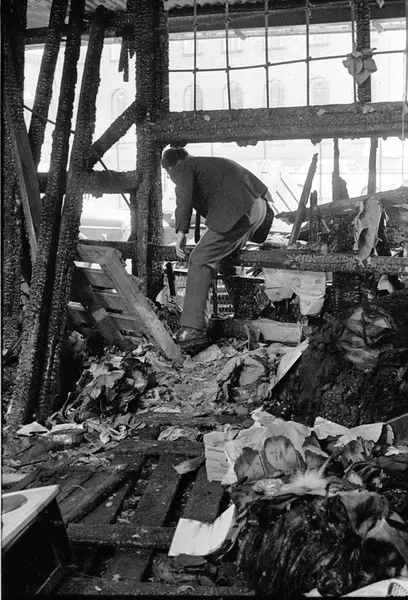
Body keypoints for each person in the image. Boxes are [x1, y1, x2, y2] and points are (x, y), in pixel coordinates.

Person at [161, 147, 274, 353]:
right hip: (258, 207)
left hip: (238, 210)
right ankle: (245, 311)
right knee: (225, 258)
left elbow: (183, 197)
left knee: (199, 259)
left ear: (170, 168)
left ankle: (193, 331)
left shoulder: (182, 167)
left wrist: (180, 233)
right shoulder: (205, 164)